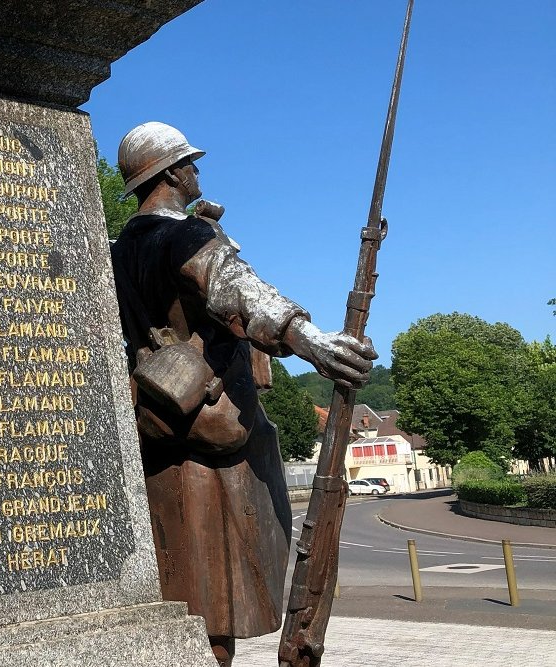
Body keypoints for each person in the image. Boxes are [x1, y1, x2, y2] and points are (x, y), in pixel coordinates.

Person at [109, 122, 375, 666]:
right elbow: (240, 290)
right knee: (213, 606)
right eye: (192, 164)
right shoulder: (184, 237)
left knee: (182, 593)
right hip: (210, 439)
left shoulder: (116, 249)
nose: (198, 172)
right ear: (174, 173)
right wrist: (313, 342)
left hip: (155, 431)